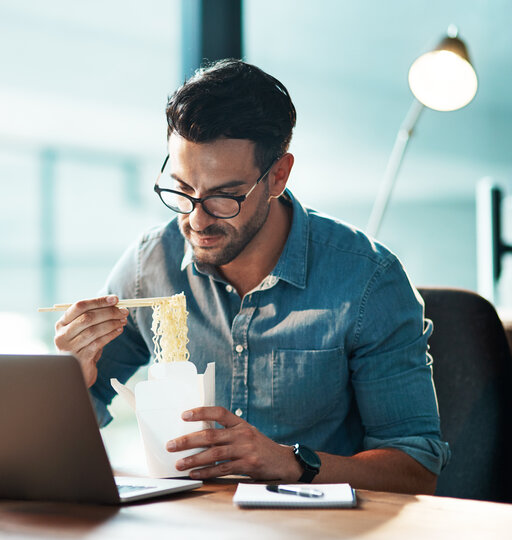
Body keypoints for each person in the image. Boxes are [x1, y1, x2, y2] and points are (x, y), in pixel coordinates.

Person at [53, 59, 449, 494]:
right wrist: (71, 379)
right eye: (182, 189)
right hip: (189, 524)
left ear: (278, 175)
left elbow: (416, 468)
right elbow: (58, 435)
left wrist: (290, 462)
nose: (197, 220)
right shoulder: (150, 267)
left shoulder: (369, 282)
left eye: (224, 197)